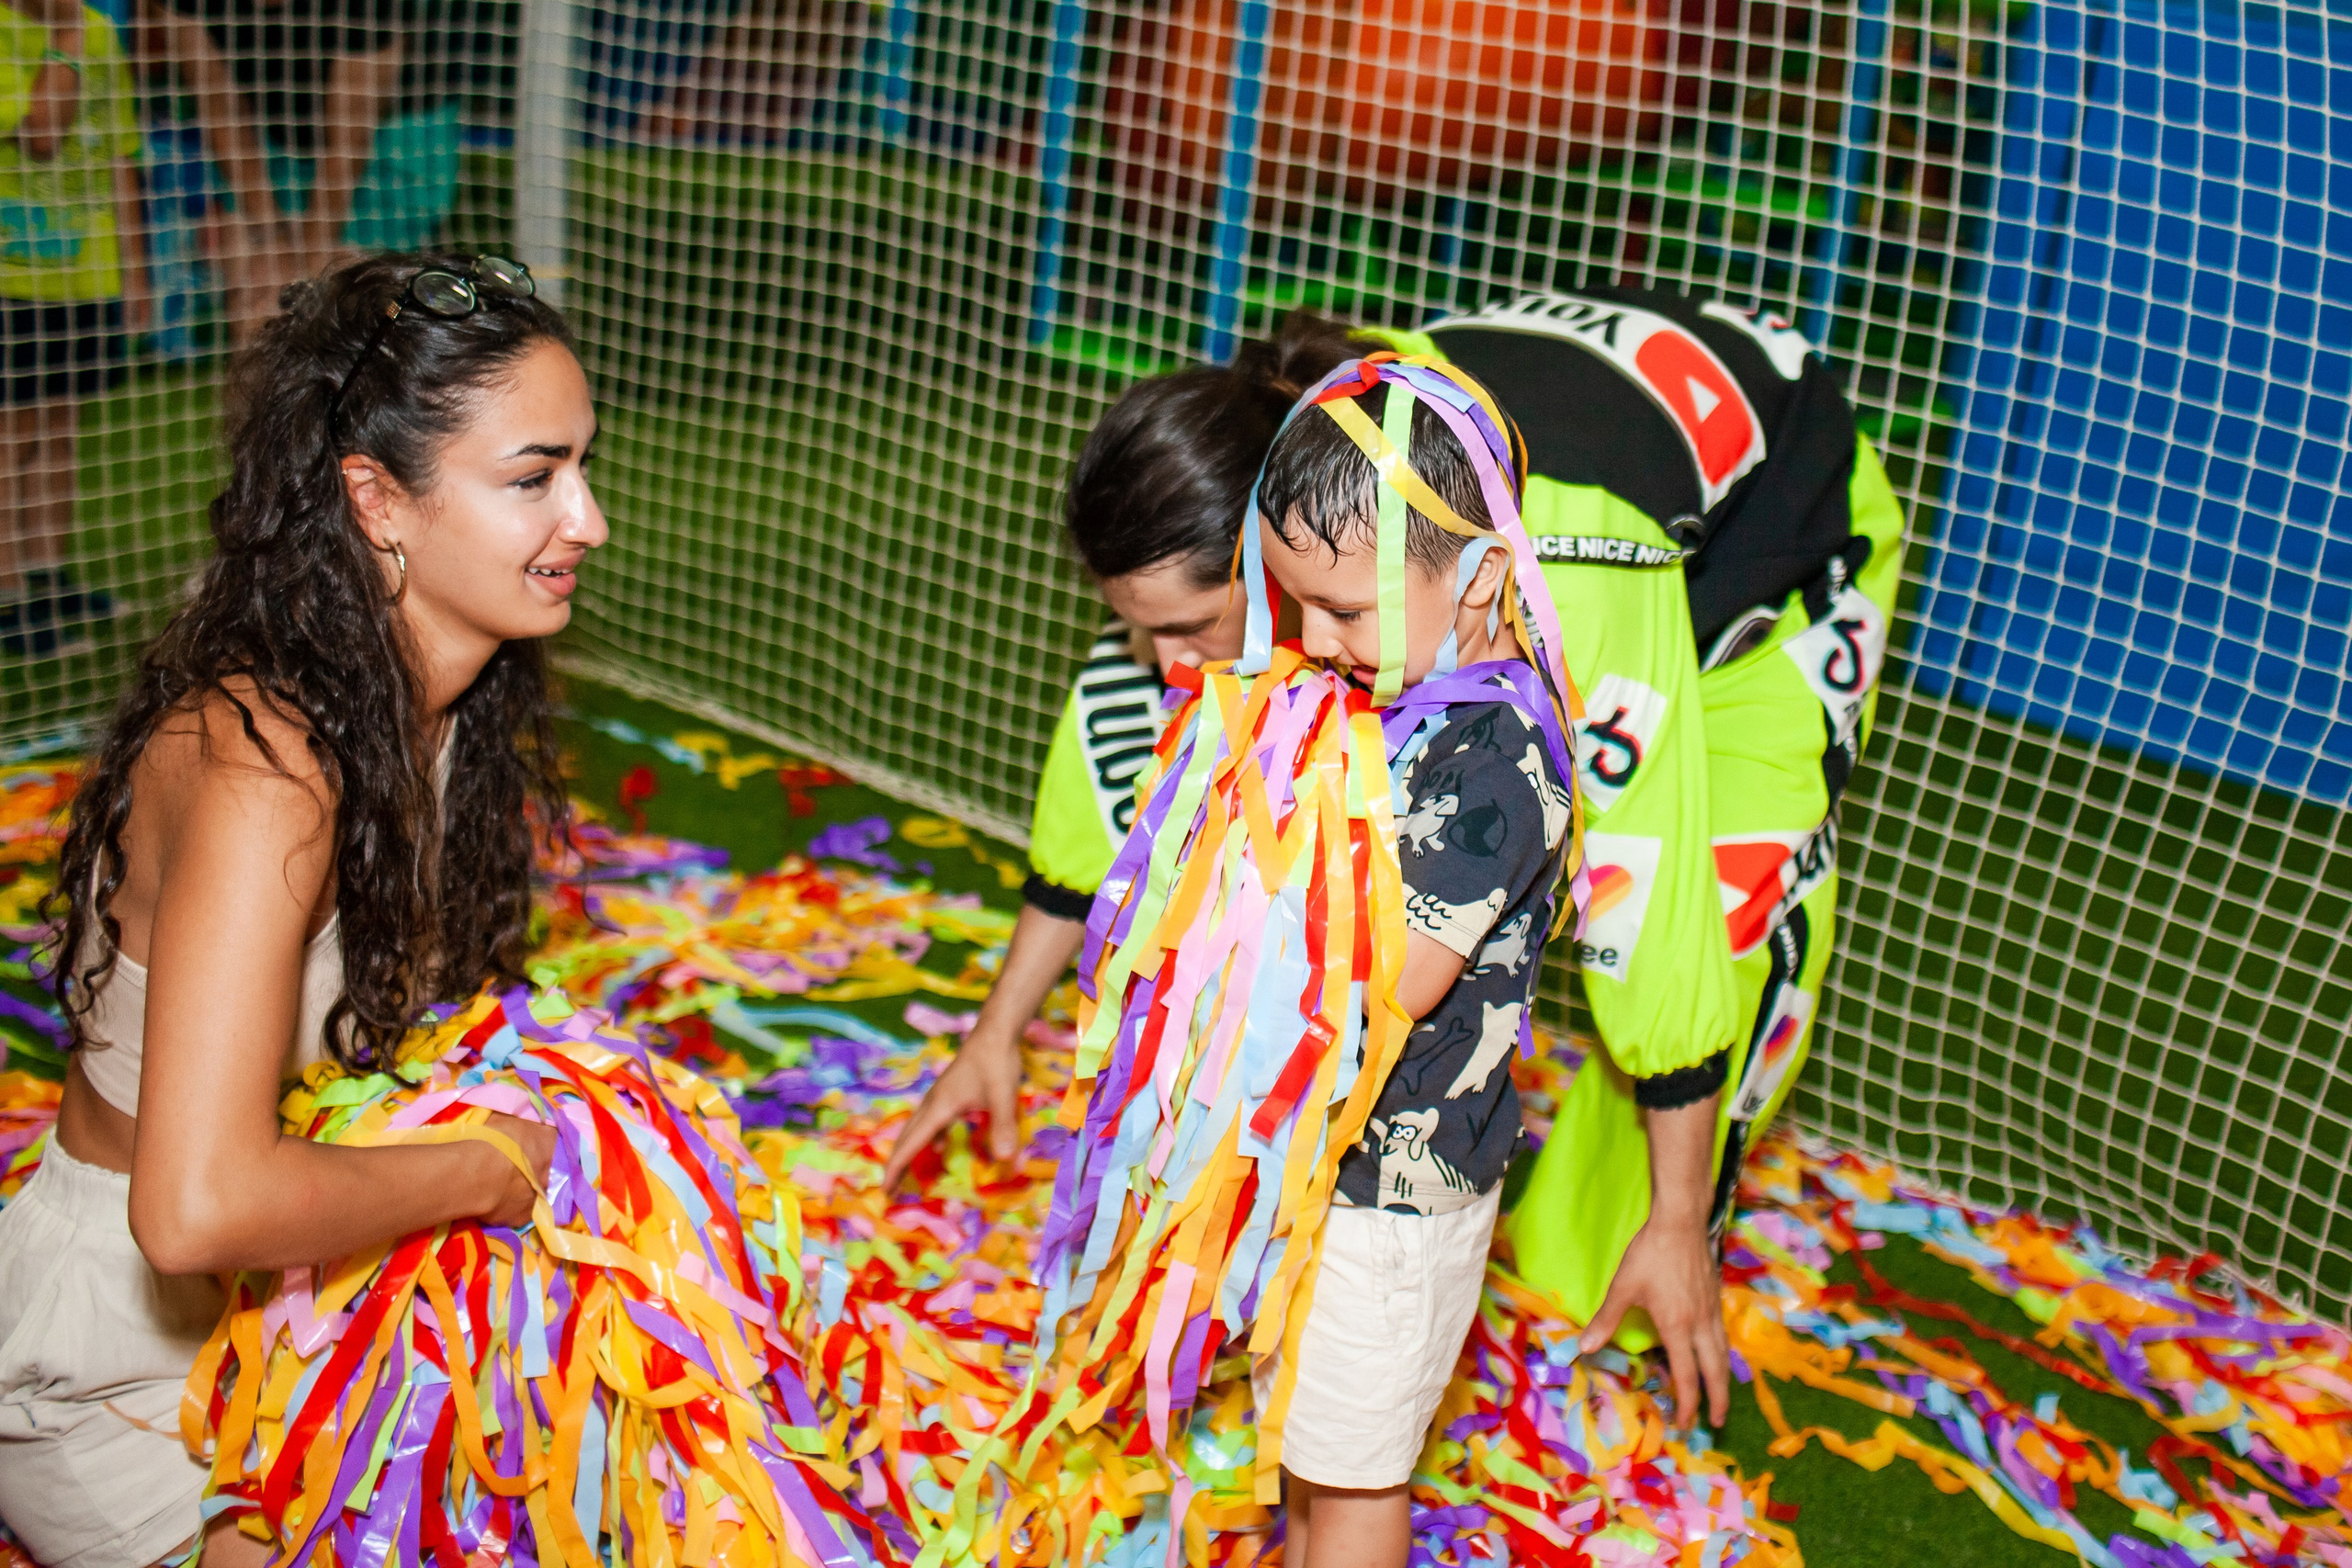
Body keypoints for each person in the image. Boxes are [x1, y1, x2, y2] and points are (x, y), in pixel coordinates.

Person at [888, 286, 1908, 1436]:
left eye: (1189, 630)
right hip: (1541, 471)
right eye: (1141, 632)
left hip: (1768, 556)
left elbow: (1649, 883)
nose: (1165, 662)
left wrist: (1679, 1217)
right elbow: (1117, 793)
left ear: (1280, 574)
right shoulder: (1315, 513)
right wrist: (996, 1029)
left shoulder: (1548, 576)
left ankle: (1666, 1241)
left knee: (1691, 1002)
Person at [0, 250, 593, 1568]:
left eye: (583, 466)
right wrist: (486, 1170)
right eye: (535, 478)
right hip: (128, 1359)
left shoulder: (444, 703)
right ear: (377, 499)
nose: (588, 520)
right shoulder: (267, 767)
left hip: (315, 1314)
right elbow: (194, 1209)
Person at [1246, 355, 1574, 1566]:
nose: (1316, 643)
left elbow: (1403, 976)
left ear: (1482, 573)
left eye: (1348, 612)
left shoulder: (1493, 758)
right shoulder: (1383, 702)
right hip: (1324, 1161)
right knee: (1305, 1429)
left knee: (1356, 1468)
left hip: (1400, 1187)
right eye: (1297, 608)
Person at [146, 0, 475, 342]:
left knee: (345, 288)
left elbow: (350, 135)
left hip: (390, 141)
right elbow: (218, 103)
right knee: (255, 289)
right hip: (270, 137)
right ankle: (266, 393)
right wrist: (271, 239)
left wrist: (308, 257)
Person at [0, 0, 144, 656]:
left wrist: (134, 270)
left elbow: (119, 158)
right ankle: (7, 598)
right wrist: (61, 40)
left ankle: (46, 576)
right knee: (13, 434)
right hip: (14, 275)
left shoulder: (101, 31)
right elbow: (42, 131)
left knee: (62, 425)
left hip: (85, 275)